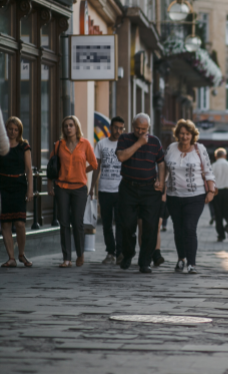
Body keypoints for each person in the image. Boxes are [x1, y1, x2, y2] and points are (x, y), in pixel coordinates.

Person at [163, 119, 215, 274]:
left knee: (189, 228)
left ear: (193, 135)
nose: (184, 137)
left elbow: (208, 171)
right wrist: (162, 187)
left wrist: (211, 191)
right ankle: (181, 259)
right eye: (181, 133)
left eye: (187, 134)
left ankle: (191, 263)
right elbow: (164, 169)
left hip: (195, 196)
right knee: (178, 229)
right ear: (177, 134)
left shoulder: (200, 149)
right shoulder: (171, 148)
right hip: (174, 196)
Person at [116, 113, 165, 274]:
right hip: (128, 188)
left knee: (150, 226)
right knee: (127, 224)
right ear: (132, 125)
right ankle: (128, 254)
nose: (141, 131)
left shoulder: (155, 141)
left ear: (148, 128)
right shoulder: (124, 139)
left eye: (144, 129)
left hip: (149, 190)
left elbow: (161, 163)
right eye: (137, 128)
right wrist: (138, 143)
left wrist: (161, 181)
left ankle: (145, 261)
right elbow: (122, 157)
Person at [48, 115, 97, 268]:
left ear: (76, 127)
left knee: (77, 222)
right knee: (63, 222)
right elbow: (51, 168)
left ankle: (80, 254)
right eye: (66, 126)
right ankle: (67, 258)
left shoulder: (85, 144)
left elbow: (95, 165)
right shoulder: (58, 145)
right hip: (62, 187)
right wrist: (50, 186)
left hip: (79, 189)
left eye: (71, 125)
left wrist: (82, 170)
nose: (68, 128)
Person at [0, 117, 33, 268]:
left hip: (19, 185)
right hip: (3, 185)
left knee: (19, 223)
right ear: (6, 129)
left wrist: (30, 189)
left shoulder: (24, 146)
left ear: (19, 131)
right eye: (10, 129)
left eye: (15, 130)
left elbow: (29, 169)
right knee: (5, 223)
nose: (12, 132)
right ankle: (11, 257)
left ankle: (21, 253)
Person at [92, 116, 125, 265]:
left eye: (121, 128)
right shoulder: (101, 144)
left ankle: (120, 253)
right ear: (110, 128)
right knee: (106, 223)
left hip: (121, 190)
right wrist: (92, 186)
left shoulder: (125, 145)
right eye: (115, 127)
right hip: (104, 189)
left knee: (120, 222)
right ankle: (110, 252)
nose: (118, 131)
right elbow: (96, 166)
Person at [211, 148, 228, 241]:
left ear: (215, 156)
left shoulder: (213, 166)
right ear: (225, 156)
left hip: (216, 192)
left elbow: (210, 181)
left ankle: (221, 235)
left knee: (218, 214)